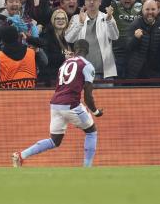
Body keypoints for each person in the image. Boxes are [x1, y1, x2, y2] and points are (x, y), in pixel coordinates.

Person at [11, 39, 103, 168]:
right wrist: (95, 111)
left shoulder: (65, 63)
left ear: (74, 50)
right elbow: (88, 96)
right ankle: (87, 168)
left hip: (55, 104)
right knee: (91, 131)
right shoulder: (87, 65)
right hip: (72, 105)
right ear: (87, 50)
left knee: (54, 141)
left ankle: (21, 155)